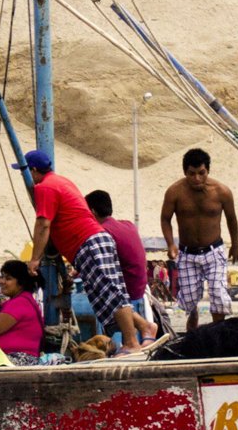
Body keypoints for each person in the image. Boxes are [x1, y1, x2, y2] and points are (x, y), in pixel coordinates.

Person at [22, 148, 154, 352]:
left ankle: (131, 342)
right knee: (104, 295)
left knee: (111, 292)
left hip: (89, 243)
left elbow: (43, 224)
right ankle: (144, 326)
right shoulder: (62, 181)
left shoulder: (45, 188)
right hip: (89, 244)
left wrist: (34, 259)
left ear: (33, 170)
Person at [159, 148, 238, 333]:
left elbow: (232, 219)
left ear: (208, 171)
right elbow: (165, 218)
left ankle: (218, 333)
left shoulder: (222, 192)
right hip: (187, 253)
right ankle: (193, 313)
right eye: (191, 174)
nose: (196, 179)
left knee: (218, 295)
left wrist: (235, 245)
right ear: (185, 172)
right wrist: (170, 244)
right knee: (188, 298)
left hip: (214, 251)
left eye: (201, 173)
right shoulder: (174, 192)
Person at [85, 189, 151, 332]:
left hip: (128, 297)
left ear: (93, 212)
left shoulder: (102, 233)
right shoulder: (128, 225)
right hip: (140, 291)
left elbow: (100, 265)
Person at [0, 261, 46, 363]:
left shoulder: (20, 303)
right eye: (2, 277)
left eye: (8, 279)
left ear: (21, 283)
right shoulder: (22, 300)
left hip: (18, 359)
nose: (2, 281)